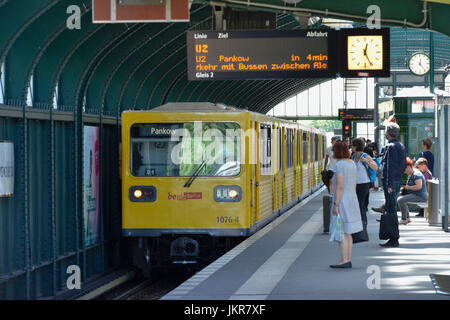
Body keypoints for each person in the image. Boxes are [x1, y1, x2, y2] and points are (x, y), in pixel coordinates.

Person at [329, 141, 363, 268]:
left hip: (342, 199)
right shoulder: (352, 163)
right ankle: (347, 259)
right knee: (348, 232)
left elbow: (340, 186)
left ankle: (344, 260)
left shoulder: (339, 165)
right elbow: (354, 183)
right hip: (352, 197)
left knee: (342, 231)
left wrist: (336, 204)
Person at [378, 122, 406, 247]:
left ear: (388, 132)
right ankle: (392, 237)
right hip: (397, 180)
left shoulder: (390, 146)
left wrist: (389, 184)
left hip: (390, 182)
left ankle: (394, 238)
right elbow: (402, 166)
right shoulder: (400, 145)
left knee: (391, 208)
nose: (384, 133)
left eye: (385, 131)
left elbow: (389, 167)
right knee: (390, 207)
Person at [351, 138, 379, 230]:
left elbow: (375, 167)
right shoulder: (353, 156)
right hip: (355, 184)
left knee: (360, 204)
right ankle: (359, 223)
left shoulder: (365, 156)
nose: (351, 147)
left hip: (364, 183)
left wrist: (366, 161)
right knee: (356, 204)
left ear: (356, 146)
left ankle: (363, 224)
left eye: (352, 145)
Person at [397, 157, 428, 225]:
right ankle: (407, 218)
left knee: (400, 200)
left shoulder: (416, 174)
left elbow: (419, 186)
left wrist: (408, 187)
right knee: (400, 197)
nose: (404, 172)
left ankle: (404, 219)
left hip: (420, 196)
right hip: (415, 194)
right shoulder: (411, 173)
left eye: (404, 170)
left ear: (408, 167)